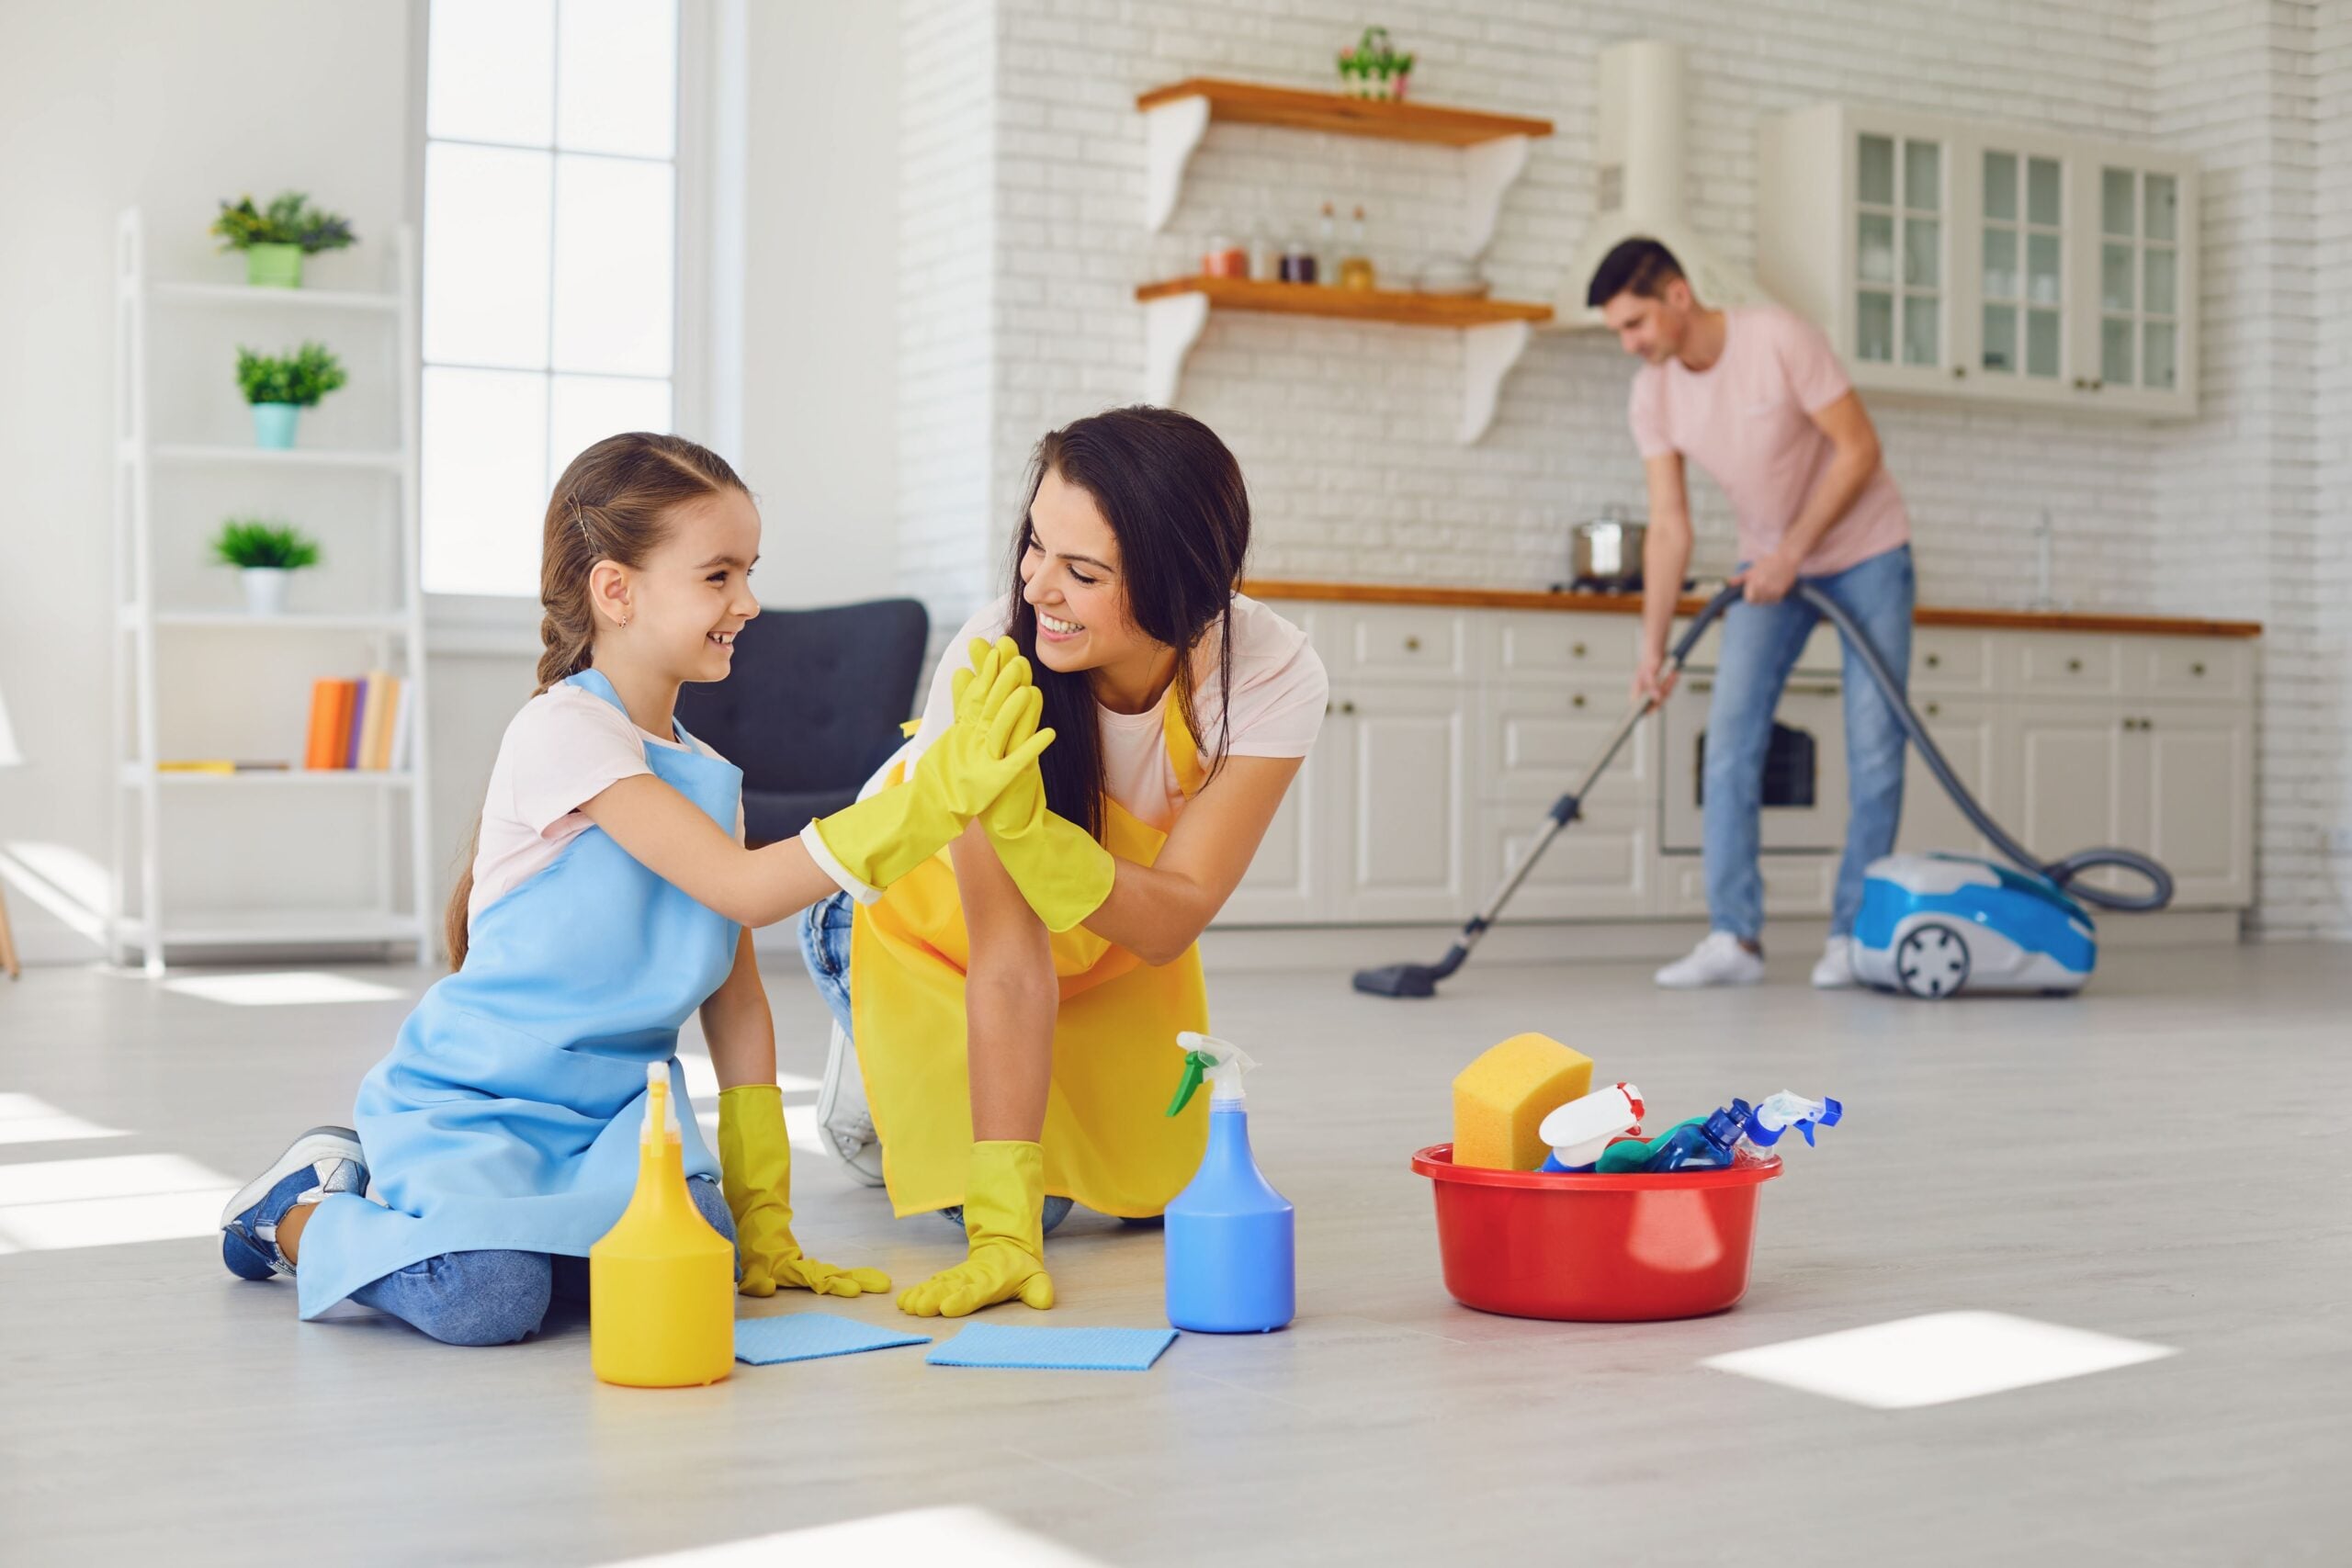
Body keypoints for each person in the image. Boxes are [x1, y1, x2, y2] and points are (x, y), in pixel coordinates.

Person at [218, 432, 1053, 1346]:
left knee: (698, 1265)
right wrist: (925, 803)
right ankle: (301, 1210)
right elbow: (742, 890)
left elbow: (736, 1003)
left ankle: (509, 1231)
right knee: (490, 1300)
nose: (749, 601)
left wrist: (764, 1218)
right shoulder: (565, 733)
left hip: (619, 1118)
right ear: (615, 591)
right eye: (718, 576)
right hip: (484, 1106)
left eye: (749, 572)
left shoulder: (707, 778)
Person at [801, 405, 1327, 1320]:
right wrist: (1002, 1226)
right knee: (1029, 1201)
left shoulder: (1269, 673)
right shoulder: (993, 657)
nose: (1038, 585)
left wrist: (1045, 846)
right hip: (924, 933)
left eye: (1081, 572)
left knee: (1152, 1195)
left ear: (1181, 591)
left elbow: (1173, 917)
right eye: (1034, 546)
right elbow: (1004, 957)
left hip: (1101, 942)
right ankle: (861, 1105)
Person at [1590, 238, 1916, 989]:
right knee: (1730, 741)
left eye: (1635, 323)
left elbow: (1859, 449)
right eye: (1619, 331)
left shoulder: (1778, 339)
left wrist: (1794, 550)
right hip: (1765, 571)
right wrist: (1654, 647)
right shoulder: (1654, 393)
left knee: (1874, 745)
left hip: (1866, 554)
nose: (1630, 344)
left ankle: (1852, 937)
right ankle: (1734, 938)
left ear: (1677, 296)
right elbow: (1670, 524)